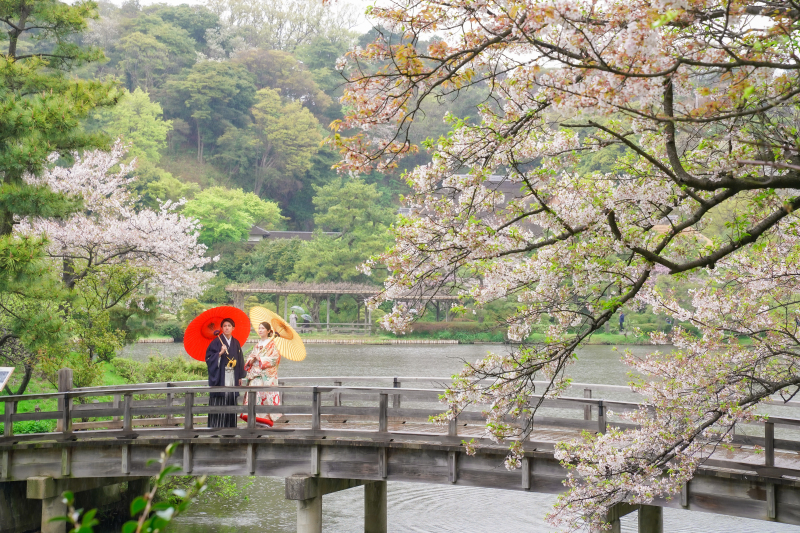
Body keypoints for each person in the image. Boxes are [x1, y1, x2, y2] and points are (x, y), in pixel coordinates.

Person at [205, 318, 245, 430]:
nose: (227, 328)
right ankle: (215, 428)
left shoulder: (236, 342)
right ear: (221, 328)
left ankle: (230, 428)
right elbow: (208, 358)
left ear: (233, 328)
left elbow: (240, 359)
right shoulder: (216, 342)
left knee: (231, 399)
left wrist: (240, 376)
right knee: (219, 400)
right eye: (224, 326)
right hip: (221, 376)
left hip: (232, 376)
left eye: (229, 326)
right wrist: (219, 353)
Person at [240, 321, 282, 427]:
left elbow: (275, 359)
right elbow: (250, 359)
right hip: (254, 377)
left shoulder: (272, 344)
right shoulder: (257, 345)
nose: (260, 330)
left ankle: (264, 422)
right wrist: (251, 359)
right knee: (253, 399)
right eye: (259, 328)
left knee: (263, 399)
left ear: (268, 331)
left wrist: (261, 359)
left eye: (263, 328)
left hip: (264, 378)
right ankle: (253, 422)